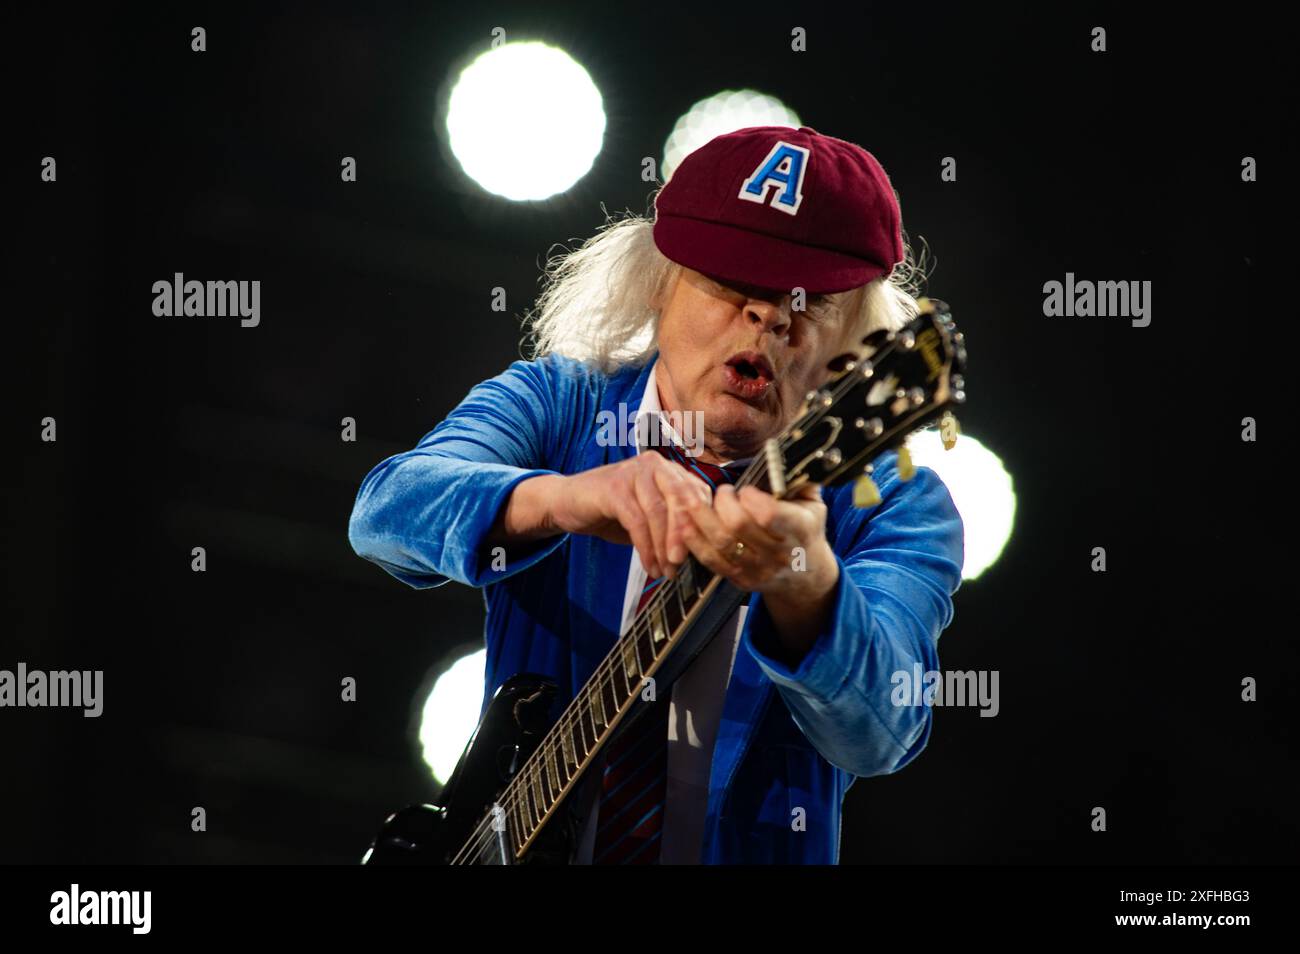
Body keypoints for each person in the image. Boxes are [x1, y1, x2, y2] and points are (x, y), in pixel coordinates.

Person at [348, 125, 964, 864]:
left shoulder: (893, 503)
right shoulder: (559, 404)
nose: (769, 316)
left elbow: (884, 730)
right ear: (657, 281)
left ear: (857, 336)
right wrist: (570, 498)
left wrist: (806, 583)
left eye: (812, 300)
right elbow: (386, 511)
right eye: (735, 282)